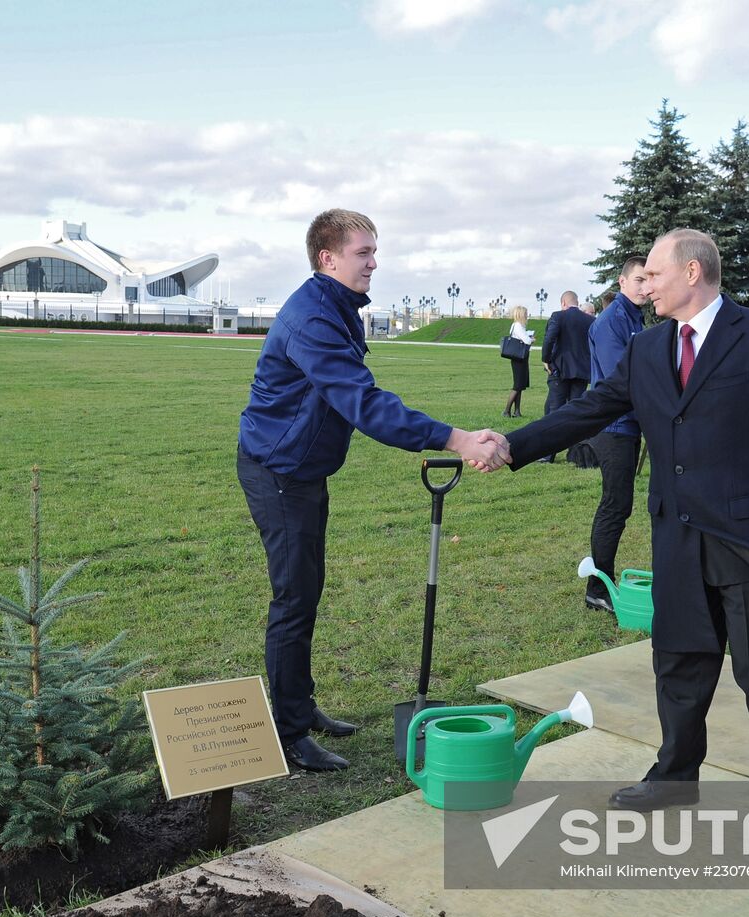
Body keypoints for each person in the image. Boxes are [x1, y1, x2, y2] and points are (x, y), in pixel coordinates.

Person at [476, 229, 749, 839]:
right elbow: (589, 410)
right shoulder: (648, 348)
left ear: (692, 273)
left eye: (654, 275)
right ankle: (674, 776)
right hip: (676, 533)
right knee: (679, 661)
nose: (645, 285)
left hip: (746, 534)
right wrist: (512, 445)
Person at [237, 208, 501, 772]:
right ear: (327, 258)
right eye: (364, 253)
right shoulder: (314, 319)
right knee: (293, 596)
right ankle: (287, 732)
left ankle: (299, 706)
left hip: (300, 471)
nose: (374, 263)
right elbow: (363, 403)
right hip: (277, 471)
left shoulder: (335, 308)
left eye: (374, 252)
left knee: (306, 589)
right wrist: (455, 438)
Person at [584, 256, 648, 614]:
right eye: (638, 279)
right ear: (622, 282)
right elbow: (618, 381)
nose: (645, 286)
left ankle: (600, 583)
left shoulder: (634, 317)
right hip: (614, 426)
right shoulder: (612, 321)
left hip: (629, 424)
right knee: (615, 505)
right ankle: (598, 587)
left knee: (619, 505)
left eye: (649, 279)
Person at [539, 290, 594, 462]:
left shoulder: (558, 316)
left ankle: (548, 454)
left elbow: (549, 340)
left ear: (563, 302)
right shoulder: (590, 320)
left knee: (555, 411)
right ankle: (575, 454)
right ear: (577, 303)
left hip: (560, 370)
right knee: (576, 411)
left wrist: (546, 360)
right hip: (582, 371)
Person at [502, 305, 535, 418]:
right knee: (517, 385)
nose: (527, 315)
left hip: (521, 357)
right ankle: (506, 410)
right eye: (525, 313)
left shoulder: (518, 325)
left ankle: (517, 411)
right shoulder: (518, 325)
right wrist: (531, 339)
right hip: (518, 358)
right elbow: (526, 340)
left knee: (520, 385)